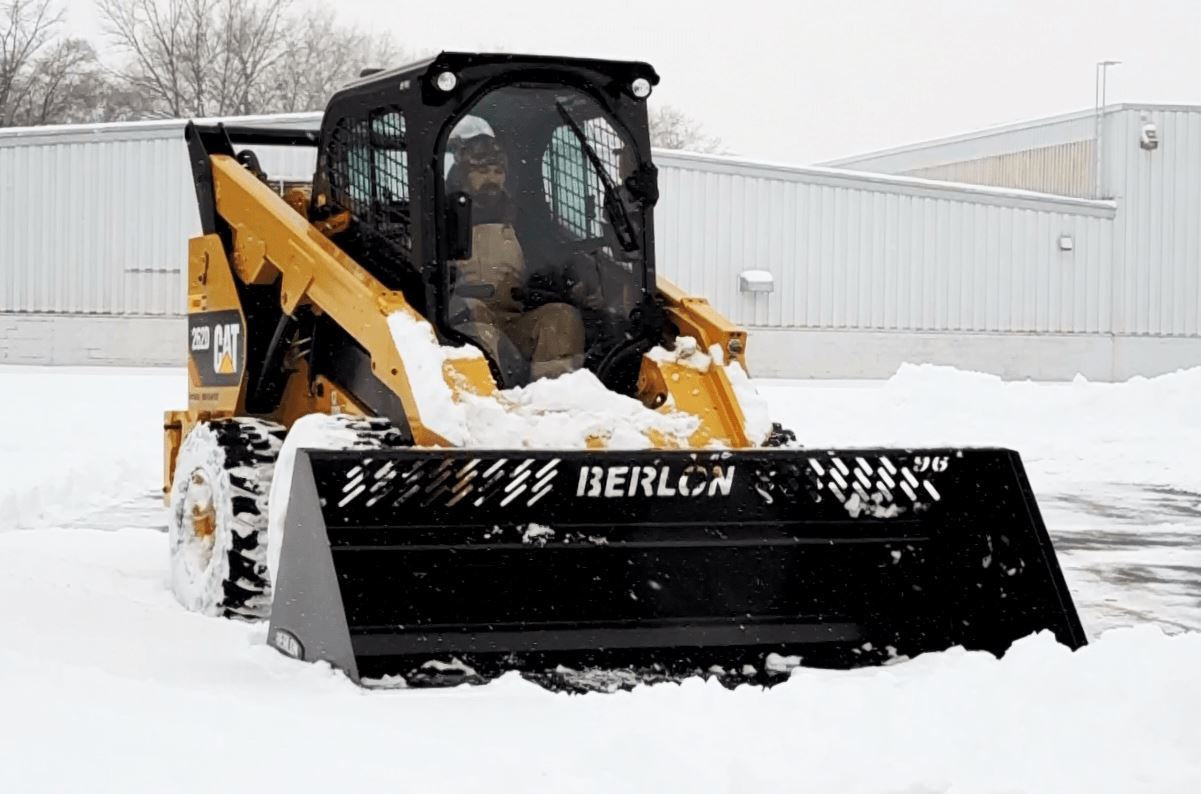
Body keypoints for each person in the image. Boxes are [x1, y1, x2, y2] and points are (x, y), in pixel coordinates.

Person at [448, 134, 587, 382]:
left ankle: (553, 397)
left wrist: (572, 281)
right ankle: (491, 399)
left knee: (561, 317)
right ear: (464, 175)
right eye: (482, 171)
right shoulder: (442, 218)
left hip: (513, 321)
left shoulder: (522, 220)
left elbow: (549, 264)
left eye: (497, 171)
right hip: (459, 326)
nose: (491, 179)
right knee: (474, 314)